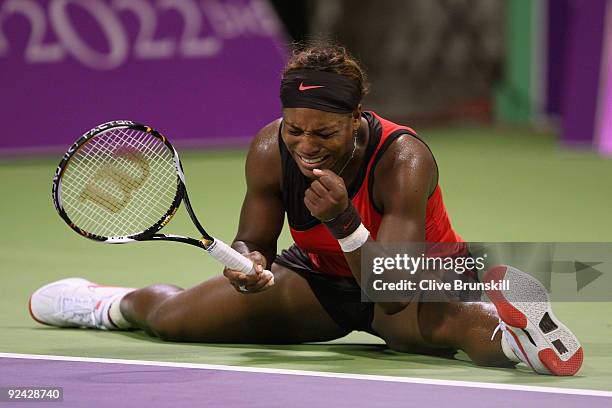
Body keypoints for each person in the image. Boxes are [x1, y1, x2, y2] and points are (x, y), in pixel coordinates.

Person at [29, 42, 582, 376]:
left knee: (460, 329)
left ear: (357, 118)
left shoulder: (404, 158)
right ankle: (108, 303)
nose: (307, 144)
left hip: (417, 275)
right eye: (296, 129)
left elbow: (390, 293)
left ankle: (521, 336)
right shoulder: (272, 149)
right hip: (320, 279)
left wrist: (344, 222)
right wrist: (249, 262)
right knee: (175, 321)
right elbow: (257, 238)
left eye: (325, 132)